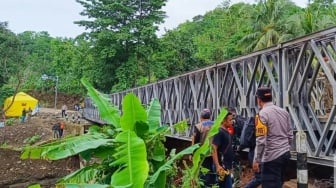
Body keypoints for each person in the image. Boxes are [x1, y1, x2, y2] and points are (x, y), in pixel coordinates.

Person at [252, 87, 293, 188]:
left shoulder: (262, 114)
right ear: (271, 98)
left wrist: (257, 160)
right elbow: (290, 136)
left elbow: (261, 140)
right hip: (285, 154)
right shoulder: (284, 112)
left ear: (258, 99)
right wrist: (285, 149)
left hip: (271, 158)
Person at [190, 108, 216, 187]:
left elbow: (195, 142)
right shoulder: (215, 124)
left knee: (203, 172)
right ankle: (213, 185)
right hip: (214, 153)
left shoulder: (198, 126)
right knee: (212, 171)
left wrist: (192, 153)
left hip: (203, 154)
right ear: (210, 117)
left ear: (201, 117)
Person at [212, 111, 234, 188]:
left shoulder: (226, 131)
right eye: (230, 120)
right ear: (224, 120)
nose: (232, 122)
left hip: (227, 166)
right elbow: (214, 148)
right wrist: (217, 165)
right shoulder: (219, 132)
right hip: (222, 166)